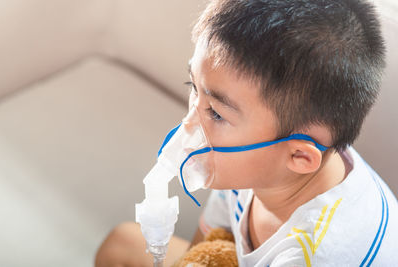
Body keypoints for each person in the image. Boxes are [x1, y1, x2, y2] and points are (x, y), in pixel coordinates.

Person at [95, 0, 398, 266]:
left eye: (215, 113)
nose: (189, 125)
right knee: (122, 244)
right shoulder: (256, 166)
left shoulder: (320, 254)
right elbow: (201, 250)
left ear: (299, 155)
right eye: (193, 89)